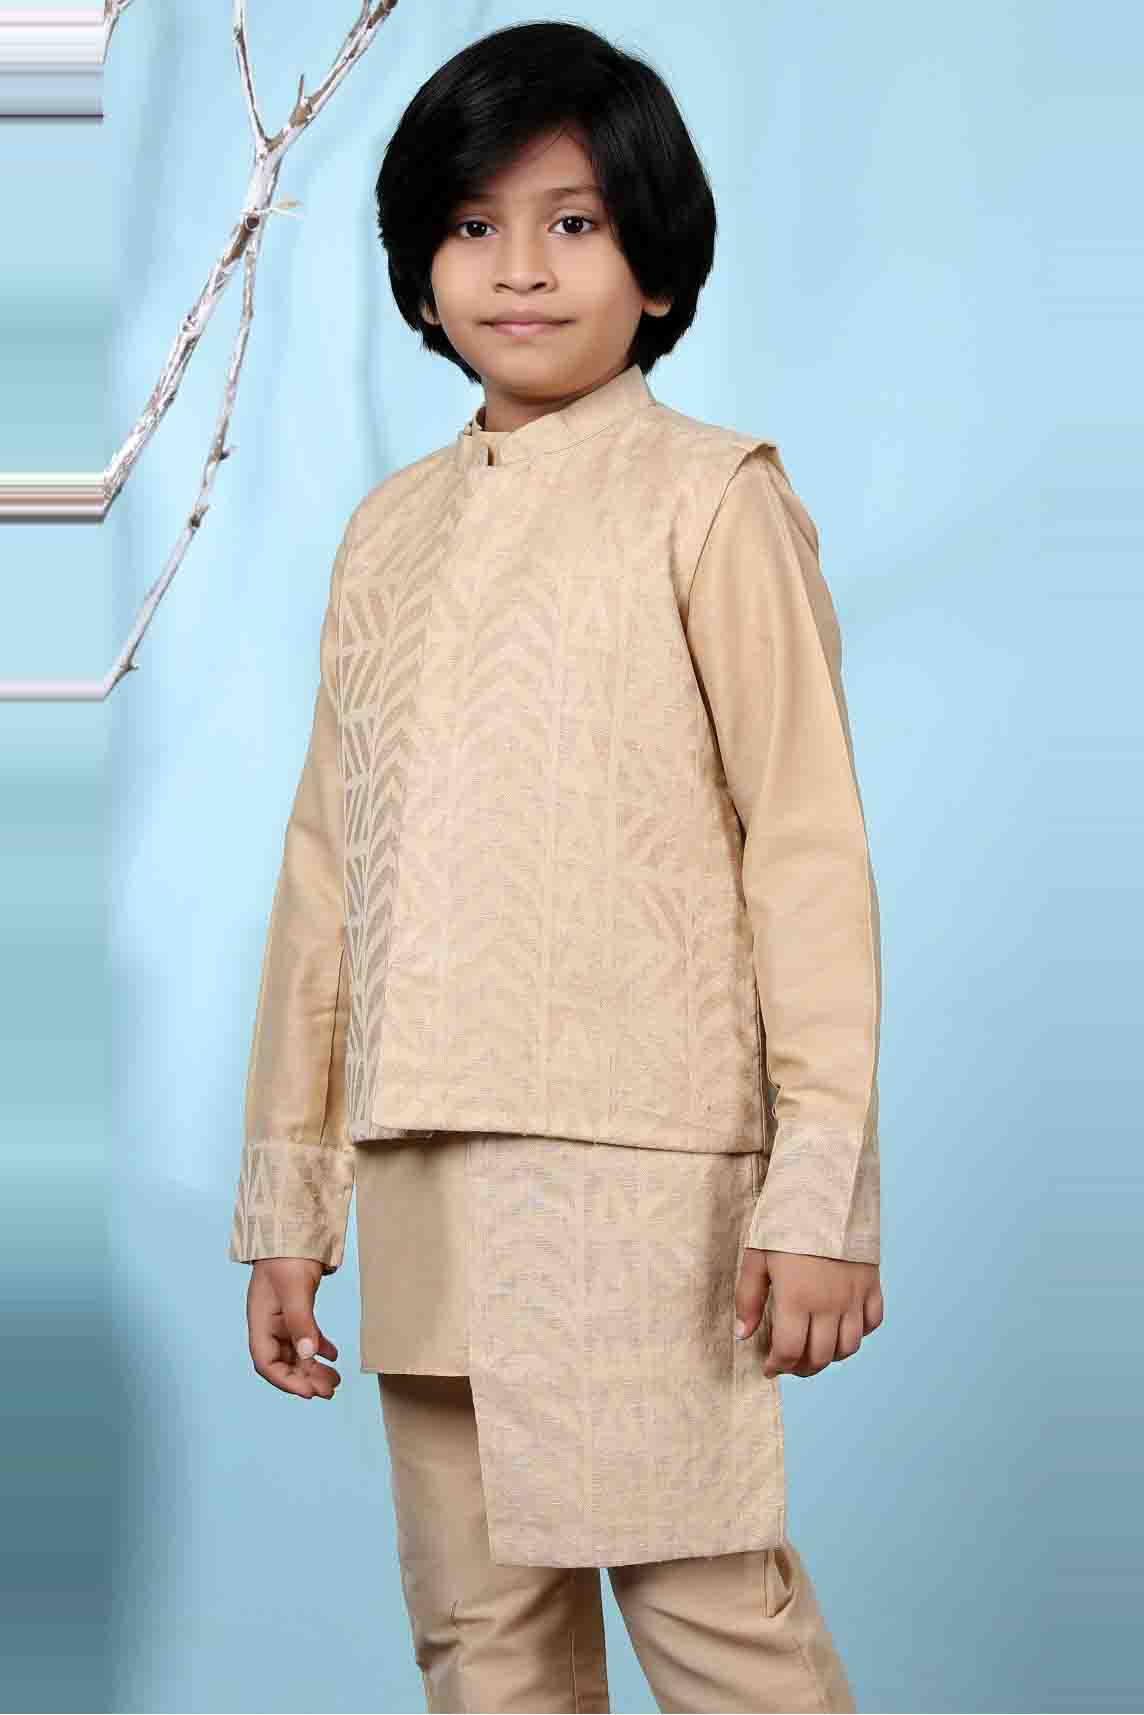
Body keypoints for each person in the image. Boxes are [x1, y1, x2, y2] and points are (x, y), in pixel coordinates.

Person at [228, 20, 885, 1713]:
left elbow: (806, 856)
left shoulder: (711, 501)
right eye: (473, 225)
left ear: (655, 266)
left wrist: (819, 1198)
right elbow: (326, 882)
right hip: (423, 1170)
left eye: (573, 222)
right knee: (482, 1649)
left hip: (643, 1189)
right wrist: (291, 1205)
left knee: (716, 1617)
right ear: (420, 267)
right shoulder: (386, 536)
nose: (518, 268)